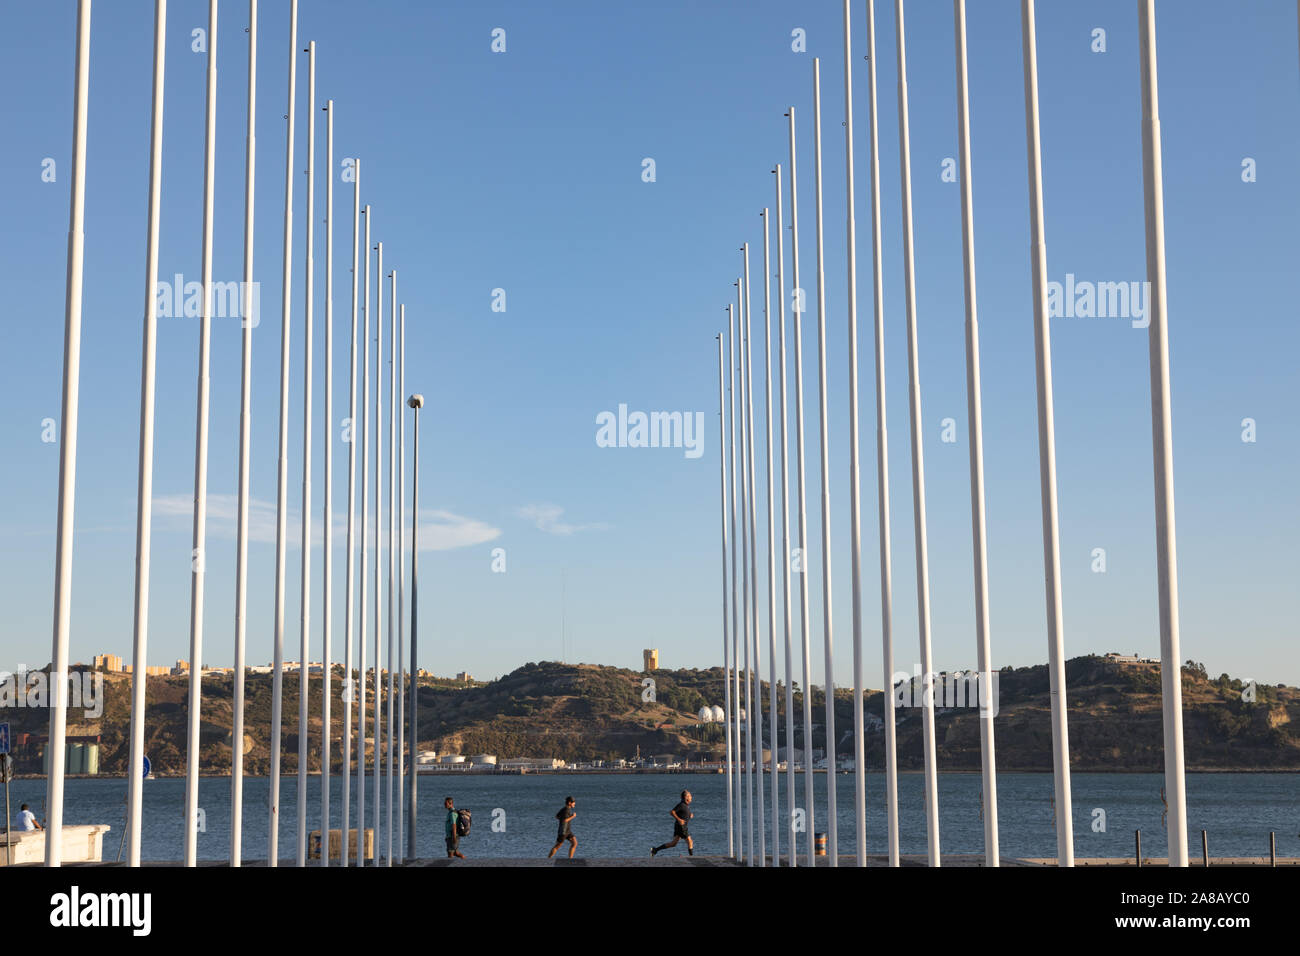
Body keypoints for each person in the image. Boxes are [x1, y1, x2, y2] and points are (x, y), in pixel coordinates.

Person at [651, 789, 693, 857]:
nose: (691, 797)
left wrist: (690, 815)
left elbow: (683, 813)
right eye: (690, 796)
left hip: (679, 826)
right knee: (690, 841)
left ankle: (655, 850)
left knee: (673, 844)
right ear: (686, 797)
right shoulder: (681, 805)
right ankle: (691, 857)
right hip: (681, 826)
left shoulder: (686, 805)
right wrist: (679, 819)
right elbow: (672, 812)